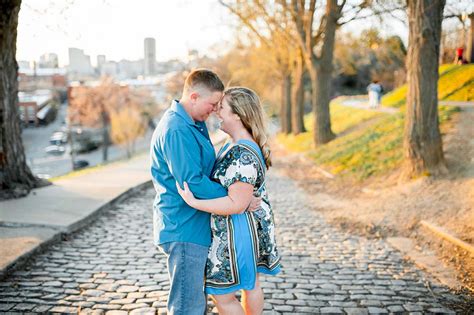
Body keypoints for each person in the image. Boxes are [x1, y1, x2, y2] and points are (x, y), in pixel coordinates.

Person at [150, 69, 260, 314]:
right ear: (194, 97)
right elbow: (194, 182)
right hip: (185, 227)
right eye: (212, 104)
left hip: (195, 226)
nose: (214, 109)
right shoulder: (177, 129)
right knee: (187, 306)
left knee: (195, 303)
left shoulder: (193, 123)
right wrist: (235, 197)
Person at [176, 87, 281, 315]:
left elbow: (236, 204)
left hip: (237, 233)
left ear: (237, 115)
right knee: (249, 285)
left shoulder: (242, 153)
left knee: (224, 294)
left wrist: (194, 202)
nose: (216, 112)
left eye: (221, 108)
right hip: (240, 229)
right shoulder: (233, 144)